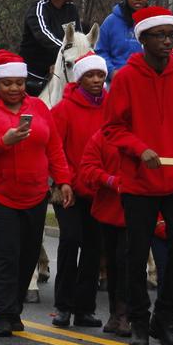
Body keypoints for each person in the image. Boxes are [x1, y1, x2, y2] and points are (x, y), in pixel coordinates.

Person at [102, 6, 173, 345]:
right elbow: (113, 128)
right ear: (143, 38)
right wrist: (139, 149)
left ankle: (166, 319)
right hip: (138, 180)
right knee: (136, 254)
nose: (167, 41)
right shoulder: (125, 78)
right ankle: (138, 324)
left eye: (170, 34)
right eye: (159, 35)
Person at [0, 50, 75, 337]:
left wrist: (63, 180)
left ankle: (14, 309)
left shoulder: (39, 108)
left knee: (27, 255)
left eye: (19, 83)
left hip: (34, 194)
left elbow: (54, 148)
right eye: (7, 83)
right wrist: (4, 141)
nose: (14, 88)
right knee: (6, 253)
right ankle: (3, 314)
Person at [49, 51, 108, 328]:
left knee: (94, 249)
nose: (96, 80)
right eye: (90, 75)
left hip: (100, 190)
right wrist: (64, 181)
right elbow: (55, 148)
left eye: (100, 75)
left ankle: (85, 308)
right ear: (79, 78)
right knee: (70, 241)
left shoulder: (112, 108)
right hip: (68, 189)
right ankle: (63, 306)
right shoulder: (64, 109)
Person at [79, 130, 130, 336]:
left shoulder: (145, 134)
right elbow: (87, 168)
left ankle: (126, 314)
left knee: (127, 261)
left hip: (137, 210)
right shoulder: (101, 136)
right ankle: (114, 313)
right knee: (112, 263)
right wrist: (109, 180)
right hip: (109, 209)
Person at [19, 0, 84, 95]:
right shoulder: (38, 9)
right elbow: (44, 36)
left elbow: (78, 36)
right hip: (34, 75)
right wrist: (65, 54)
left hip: (63, 69)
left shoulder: (72, 9)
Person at [95, 0, 149, 78]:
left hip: (146, 79)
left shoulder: (152, 22)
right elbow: (100, 51)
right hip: (116, 79)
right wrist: (112, 72)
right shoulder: (111, 21)